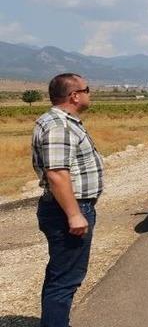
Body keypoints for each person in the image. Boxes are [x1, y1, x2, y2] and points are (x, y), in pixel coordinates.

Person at [32, 73, 103, 327]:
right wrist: (74, 214)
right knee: (65, 279)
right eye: (87, 89)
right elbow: (57, 174)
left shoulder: (59, 121)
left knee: (60, 274)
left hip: (66, 208)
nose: (89, 93)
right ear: (74, 95)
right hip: (67, 210)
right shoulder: (59, 126)